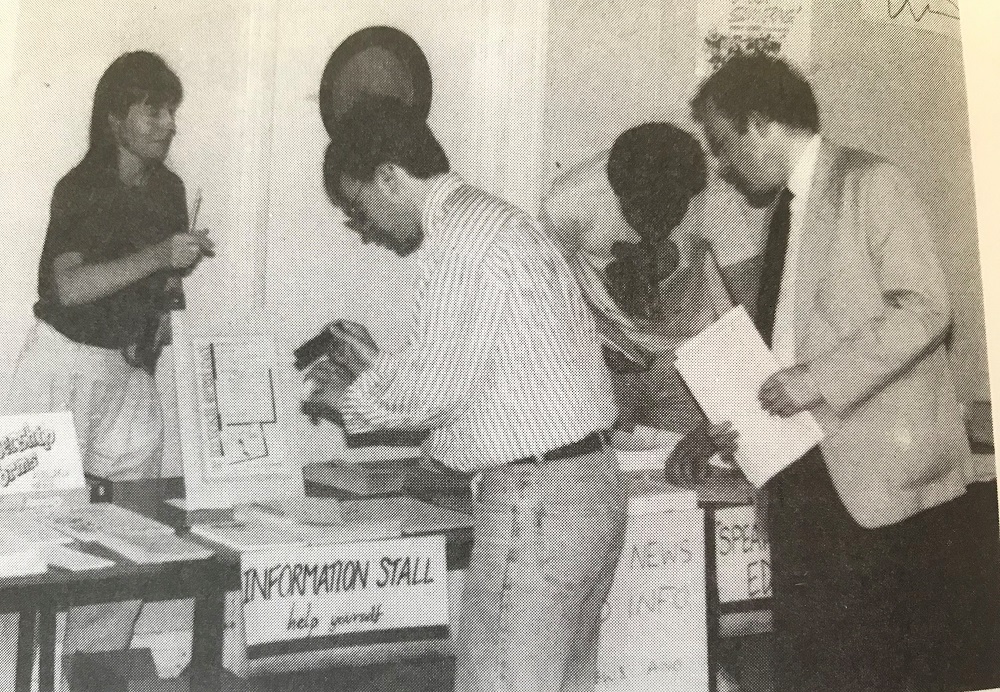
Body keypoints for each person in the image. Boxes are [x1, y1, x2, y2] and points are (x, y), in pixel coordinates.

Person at [691, 54, 1000, 692]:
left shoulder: (871, 182)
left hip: (876, 487)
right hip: (802, 480)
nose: (720, 166)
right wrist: (745, 419)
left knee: (871, 669)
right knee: (814, 668)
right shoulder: (783, 212)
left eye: (723, 146)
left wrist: (814, 381)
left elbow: (927, 309)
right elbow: (791, 342)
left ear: (762, 126)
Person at [309, 98, 625, 692]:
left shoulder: (457, 237)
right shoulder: (498, 220)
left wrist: (350, 395)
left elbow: (434, 386)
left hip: (535, 501)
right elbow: (485, 371)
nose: (367, 229)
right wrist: (380, 371)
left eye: (360, 209)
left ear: (390, 177)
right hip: (590, 487)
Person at [4, 51, 212, 687]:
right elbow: (68, 289)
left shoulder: (171, 190)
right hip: (55, 371)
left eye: (171, 110)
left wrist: (160, 305)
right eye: (153, 108)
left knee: (136, 534)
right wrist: (158, 257)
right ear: (116, 116)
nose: (167, 123)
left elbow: (160, 290)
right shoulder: (81, 187)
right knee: (27, 544)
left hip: (126, 377)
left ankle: (88, 677)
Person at [540, 123, 737, 487]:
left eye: (668, 215)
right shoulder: (568, 204)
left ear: (691, 197)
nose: (653, 229)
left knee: (688, 479)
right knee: (603, 479)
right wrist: (595, 352)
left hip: (690, 356)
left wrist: (716, 427)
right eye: (641, 215)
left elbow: (739, 324)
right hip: (604, 356)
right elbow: (548, 303)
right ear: (616, 193)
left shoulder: (721, 202)